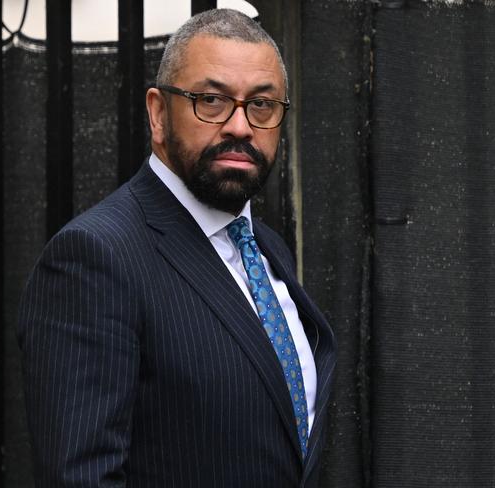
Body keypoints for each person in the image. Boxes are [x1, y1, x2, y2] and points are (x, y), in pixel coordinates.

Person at [18, 8, 336, 487]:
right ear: (158, 113)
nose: (240, 127)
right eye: (211, 100)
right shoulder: (95, 258)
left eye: (262, 105)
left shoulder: (266, 249)